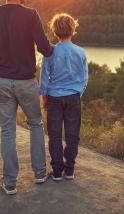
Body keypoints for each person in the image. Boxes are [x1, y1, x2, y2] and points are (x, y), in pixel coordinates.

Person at [0, 0, 53, 195]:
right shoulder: (31, 15)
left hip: (1, 82)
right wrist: (56, 49)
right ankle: (40, 173)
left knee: (8, 130)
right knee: (35, 124)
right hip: (26, 82)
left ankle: (10, 182)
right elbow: (44, 48)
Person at [40, 13, 88, 181]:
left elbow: (44, 77)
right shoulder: (80, 52)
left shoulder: (50, 52)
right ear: (73, 30)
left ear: (55, 31)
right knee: (72, 134)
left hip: (54, 98)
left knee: (54, 135)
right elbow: (84, 78)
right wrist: (77, 93)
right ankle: (70, 170)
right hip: (73, 97)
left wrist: (44, 97)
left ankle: (57, 171)